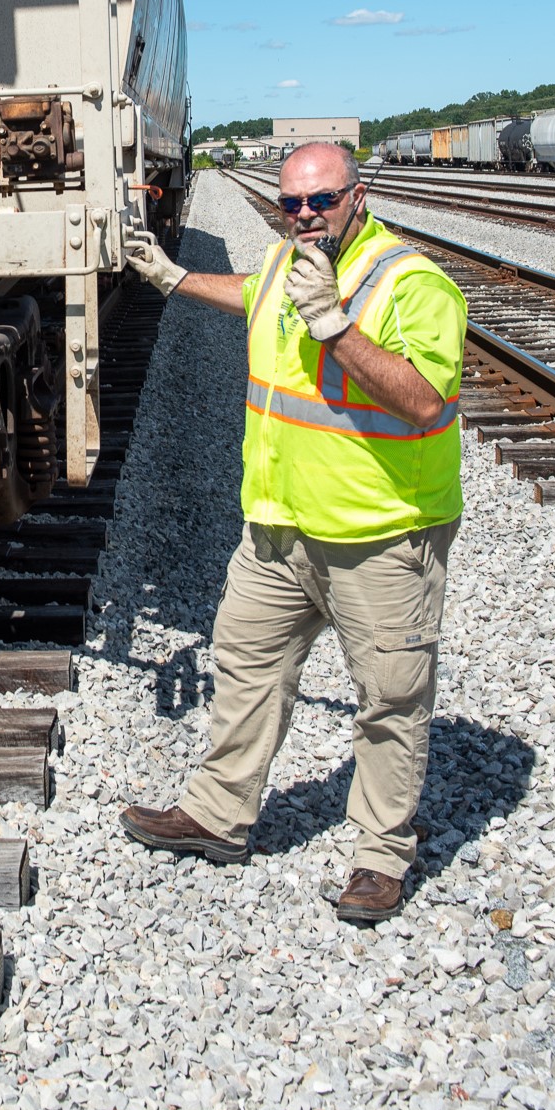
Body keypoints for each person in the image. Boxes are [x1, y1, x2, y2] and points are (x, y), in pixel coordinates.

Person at [120, 143, 467, 923]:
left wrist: (335, 325)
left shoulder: (412, 282)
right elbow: (254, 293)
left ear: (358, 196)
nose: (306, 215)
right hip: (278, 525)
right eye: (293, 204)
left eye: (322, 200)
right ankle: (218, 813)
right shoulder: (287, 261)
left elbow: (426, 402)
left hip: (378, 533)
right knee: (243, 667)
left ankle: (380, 857)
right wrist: (175, 277)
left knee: (389, 699)